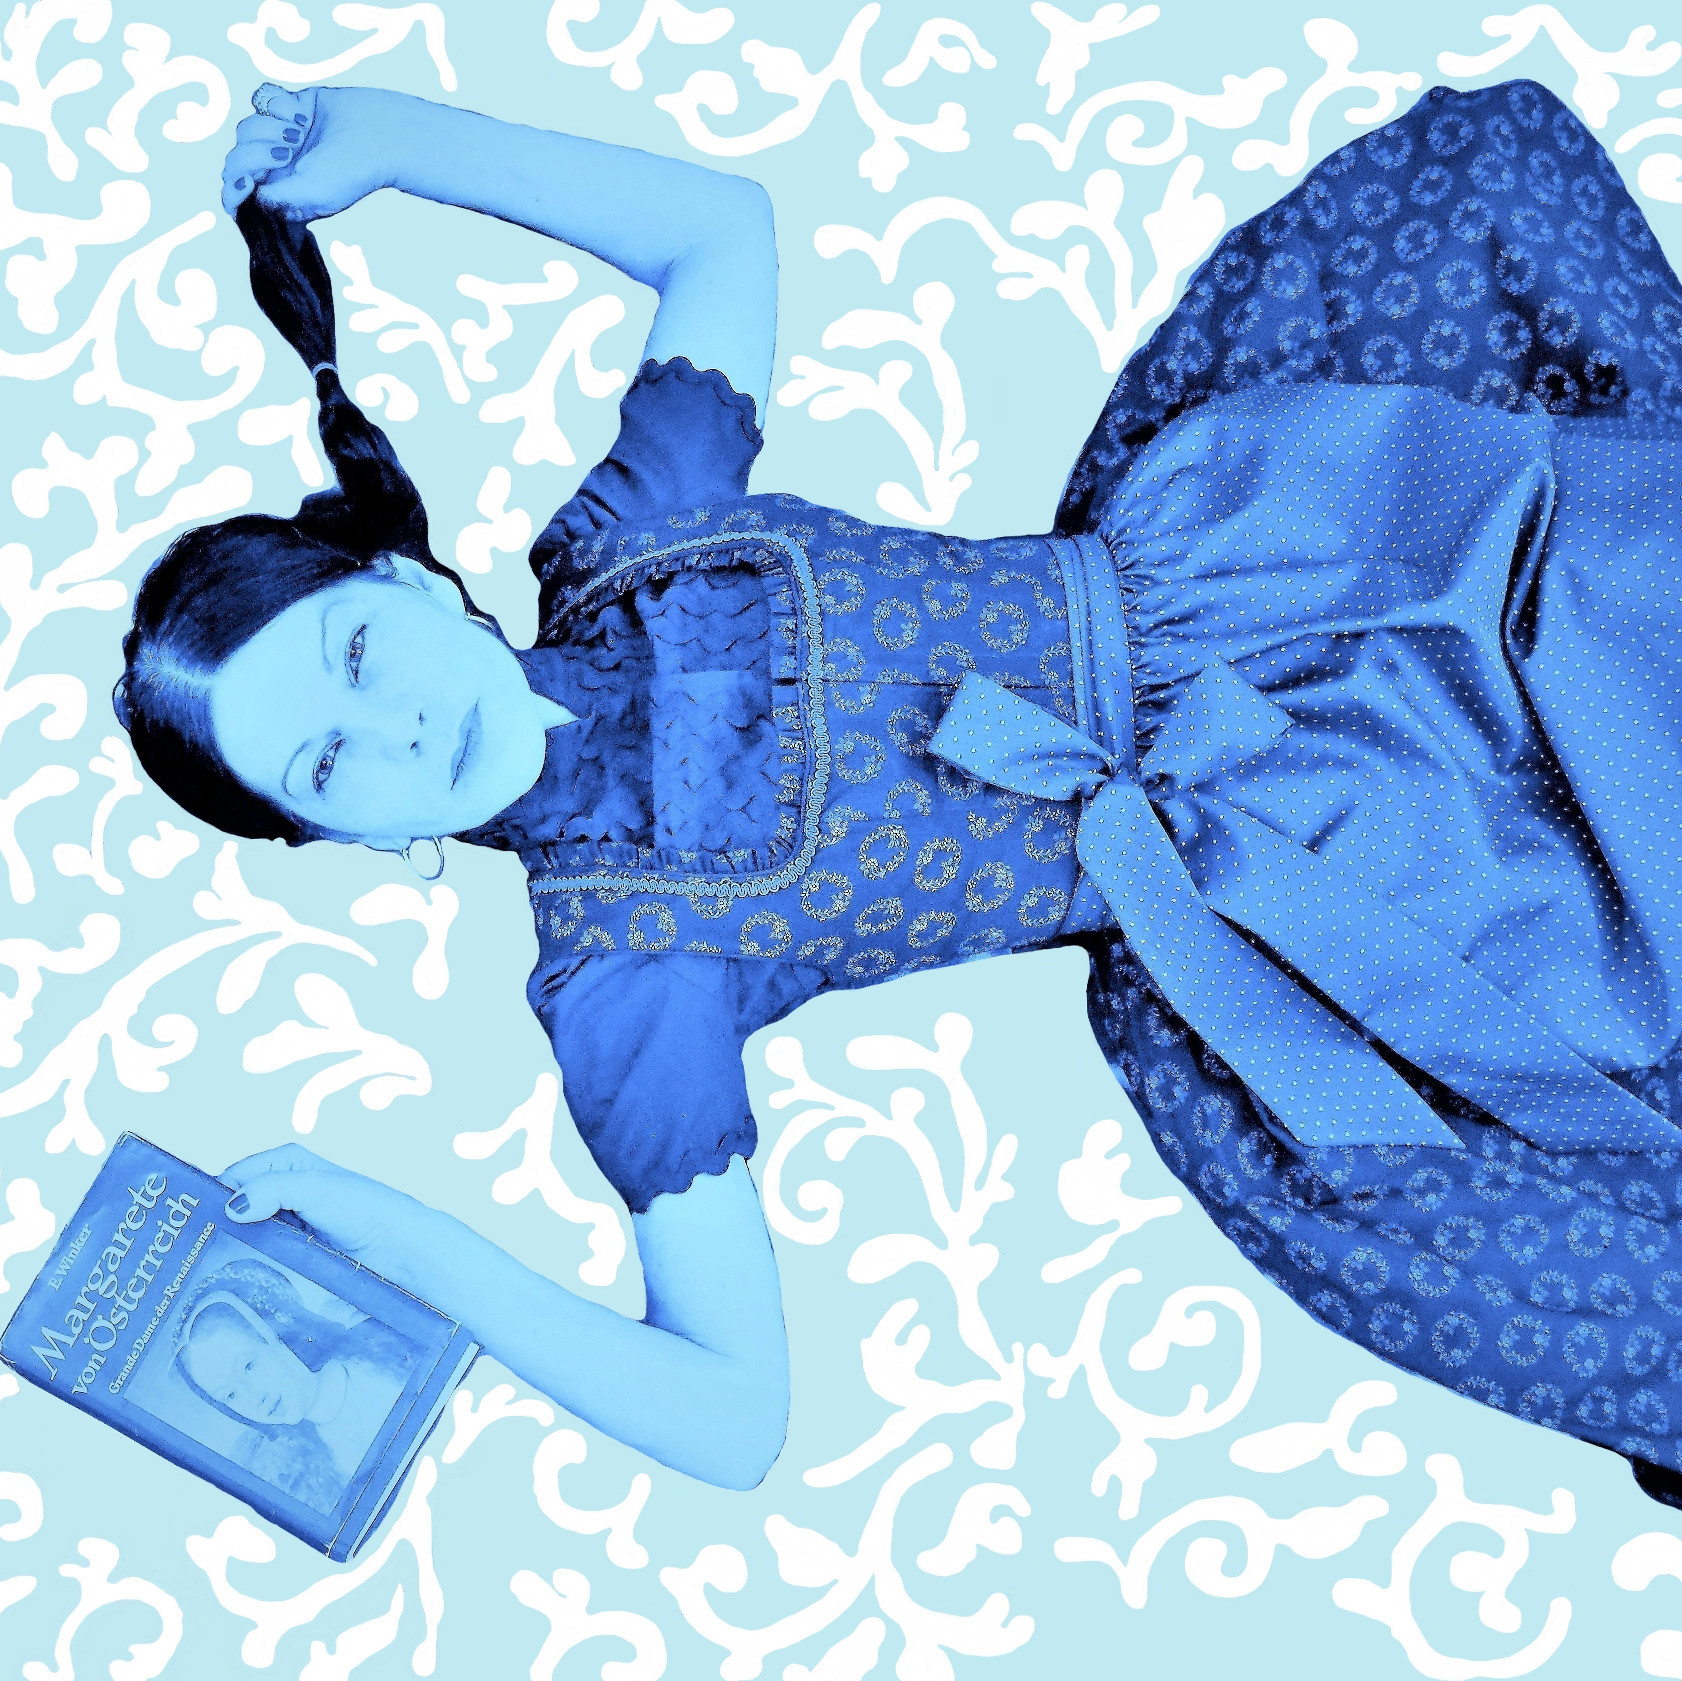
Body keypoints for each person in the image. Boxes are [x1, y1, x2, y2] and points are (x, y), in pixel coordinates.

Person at [112, 71, 1682, 1500]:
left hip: (1281, 562)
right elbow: (733, 1414)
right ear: (347, 837)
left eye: (357, 655)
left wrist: (400, 145)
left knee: (1500, 224)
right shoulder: (623, 982)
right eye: (328, 765)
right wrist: (397, 1237)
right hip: (1276, 880)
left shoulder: (632, 532)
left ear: (405, 580)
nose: (396, 732)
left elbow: (718, 232)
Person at [172, 1259, 414, 1510]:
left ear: (281, 1331)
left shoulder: (393, 1347)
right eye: (230, 1395)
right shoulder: (304, 1480)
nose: (253, 1397)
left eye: (248, 1366)